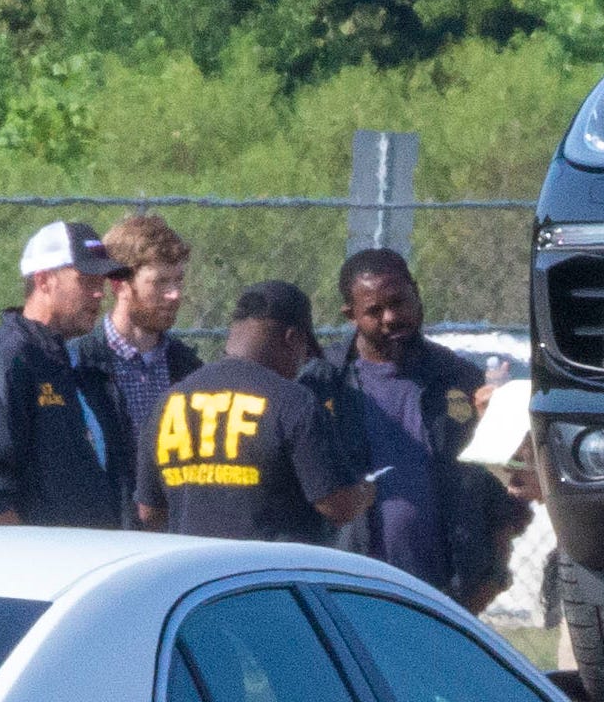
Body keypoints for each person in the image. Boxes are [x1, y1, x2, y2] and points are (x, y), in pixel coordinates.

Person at [303, 247, 495, 601]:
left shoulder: (458, 377)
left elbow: (489, 478)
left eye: (399, 302)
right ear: (351, 315)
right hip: (349, 581)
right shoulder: (322, 382)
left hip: (442, 588)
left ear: (416, 295)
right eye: (374, 311)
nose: (391, 317)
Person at [135, 280, 375, 543]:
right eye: (304, 352)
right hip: (269, 576)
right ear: (291, 338)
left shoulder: (169, 402)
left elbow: (149, 513)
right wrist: (365, 491)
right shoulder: (293, 403)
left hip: (201, 577)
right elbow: (337, 507)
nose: (302, 364)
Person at [0, 219, 134, 528]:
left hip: (95, 558)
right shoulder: (7, 360)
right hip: (44, 568)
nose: (99, 294)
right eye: (86, 281)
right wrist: (25, 556)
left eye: (101, 282)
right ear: (44, 281)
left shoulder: (81, 365)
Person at [84, 210, 201, 462]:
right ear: (119, 284)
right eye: (159, 282)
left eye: (178, 280)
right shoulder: (79, 364)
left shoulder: (189, 368)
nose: (174, 294)